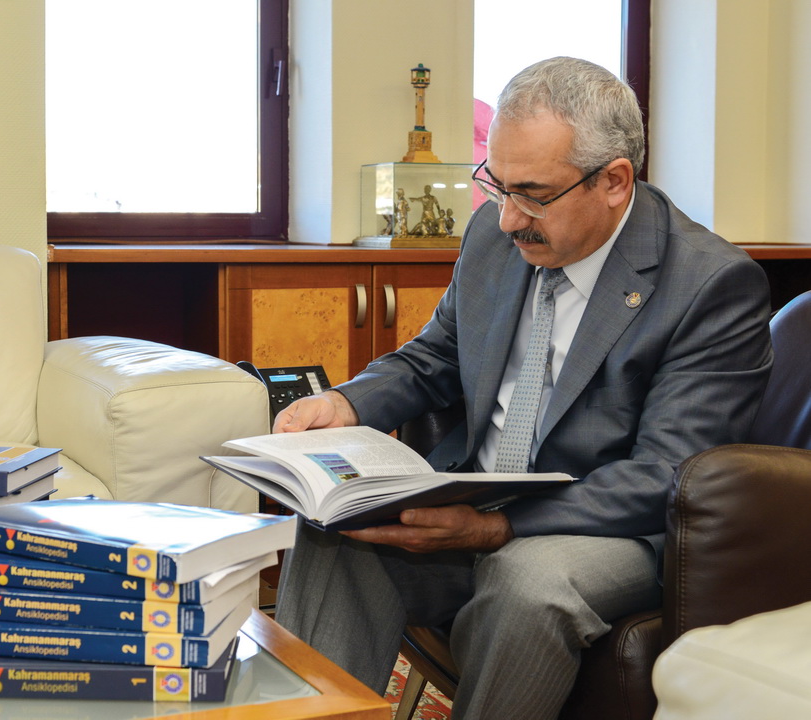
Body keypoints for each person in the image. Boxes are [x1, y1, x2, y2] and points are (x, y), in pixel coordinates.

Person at [272, 56, 773, 720]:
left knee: (527, 582)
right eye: (497, 185)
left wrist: (495, 526)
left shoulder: (709, 285)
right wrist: (346, 402)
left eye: (533, 194)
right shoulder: (492, 233)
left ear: (615, 181)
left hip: (606, 527)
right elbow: (438, 354)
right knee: (335, 531)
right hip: (473, 494)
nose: (508, 219)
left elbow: (665, 474)